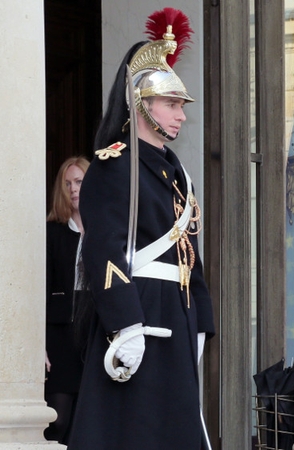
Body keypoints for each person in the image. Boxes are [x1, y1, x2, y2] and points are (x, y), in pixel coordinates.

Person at [68, 8, 215, 449]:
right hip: (140, 314)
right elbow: (104, 250)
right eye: (171, 105)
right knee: (133, 429)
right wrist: (126, 324)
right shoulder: (114, 166)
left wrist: (202, 319)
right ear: (141, 104)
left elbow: (189, 253)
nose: (180, 116)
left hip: (176, 312)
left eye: (180, 106)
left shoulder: (176, 172)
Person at [44, 156, 89, 444]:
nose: (73, 189)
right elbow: (40, 292)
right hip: (59, 337)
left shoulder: (108, 231)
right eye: (68, 183)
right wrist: (40, 346)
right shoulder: (52, 232)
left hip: (94, 336)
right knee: (57, 420)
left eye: (80, 182)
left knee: (85, 425)